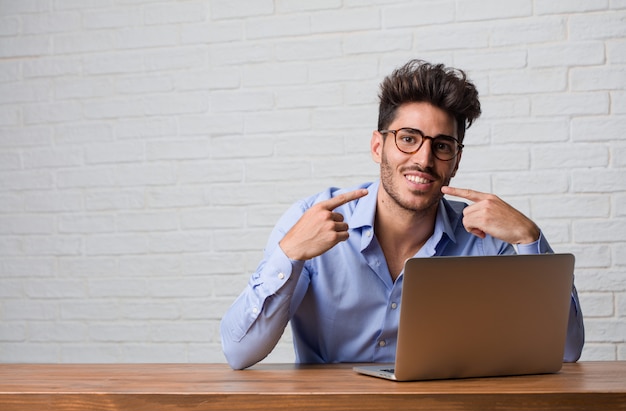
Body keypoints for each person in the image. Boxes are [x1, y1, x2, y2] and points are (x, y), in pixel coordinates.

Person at [220, 59, 585, 370]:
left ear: (455, 161)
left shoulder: (489, 238)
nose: (424, 160)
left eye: (441, 146)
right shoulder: (312, 220)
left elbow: (566, 352)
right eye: (408, 139)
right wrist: (290, 254)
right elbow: (240, 352)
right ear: (378, 147)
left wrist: (529, 239)